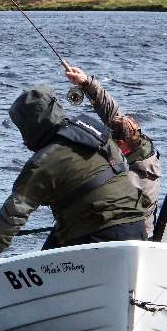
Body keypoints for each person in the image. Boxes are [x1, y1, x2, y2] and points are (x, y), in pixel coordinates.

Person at [0, 81, 151, 269]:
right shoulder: (96, 133)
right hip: (138, 228)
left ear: (30, 125)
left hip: (97, 236)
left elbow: (15, 211)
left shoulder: (45, 160)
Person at [65, 66, 161, 238]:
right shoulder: (135, 139)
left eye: (112, 142)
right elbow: (109, 108)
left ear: (122, 143)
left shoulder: (137, 177)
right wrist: (86, 82)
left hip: (133, 235)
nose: (107, 144)